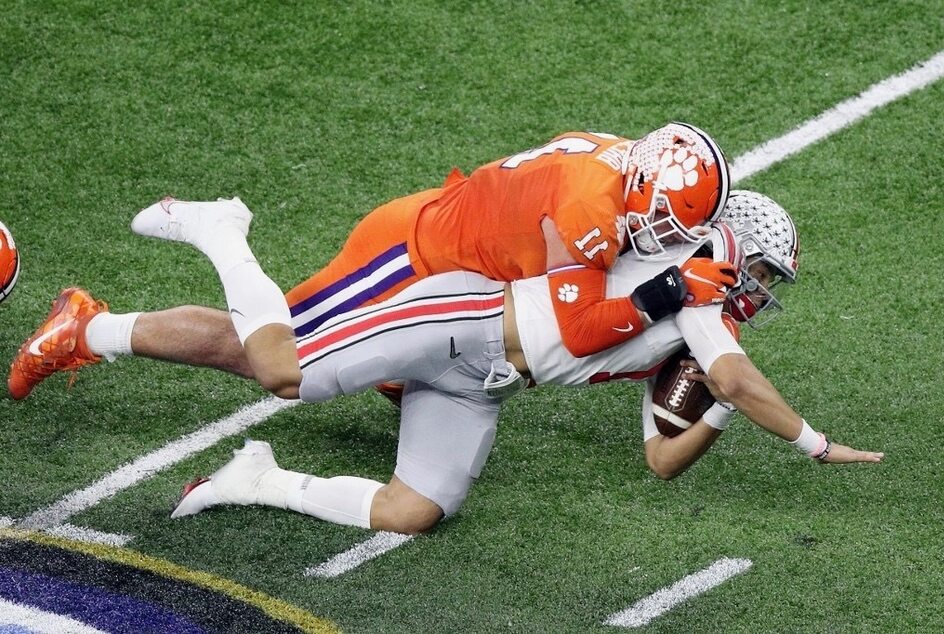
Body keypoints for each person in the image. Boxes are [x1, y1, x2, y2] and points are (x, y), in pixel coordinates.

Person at [7, 190, 883, 534]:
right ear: (732, 249)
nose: (759, 293)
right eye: (761, 273)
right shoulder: (688, 280)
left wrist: (721, 411)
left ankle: (254, 475)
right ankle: (221, 232)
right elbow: (561, 224)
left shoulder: (698, 315)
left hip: (484, 377)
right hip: (453, 315)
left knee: (416, 510)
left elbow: (663, 456)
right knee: (280, 363)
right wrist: (810, 440)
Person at [278, 123, 733, 359]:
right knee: (276, 350)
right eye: (665, 220)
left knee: (417, 373)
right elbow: (577, 332)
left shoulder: (625, 158)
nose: (665, 236)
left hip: (453, 276)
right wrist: (673, 288)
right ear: (644, 186)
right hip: (407, 259)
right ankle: (223, 243)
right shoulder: (590, 210)